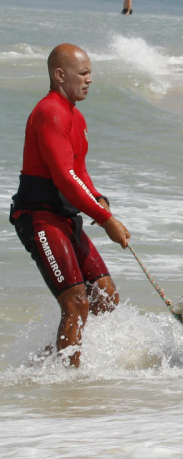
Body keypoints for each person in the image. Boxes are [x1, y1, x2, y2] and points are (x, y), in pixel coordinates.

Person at [9, 44, 132, 367]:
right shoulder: (49, 112)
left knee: (105, 297)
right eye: (83, 73)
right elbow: (64, 178)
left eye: (91, 73)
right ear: (60, 75)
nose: (90, 80)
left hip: (65, 217)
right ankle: (67, 384)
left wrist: (97, 197)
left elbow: (79, 171)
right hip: (39, 217)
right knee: (76, 302)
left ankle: (46, 366)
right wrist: (105, 219)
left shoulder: (75, 117)